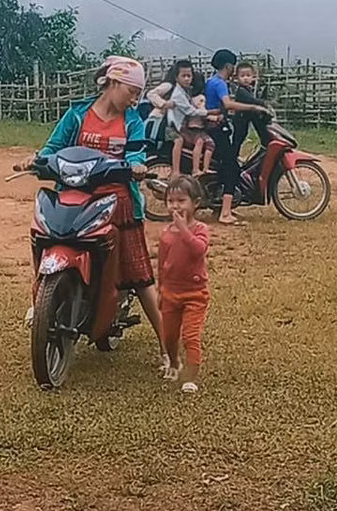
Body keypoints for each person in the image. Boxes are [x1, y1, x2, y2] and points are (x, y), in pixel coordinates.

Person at [21, 56, 168, 371]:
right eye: (132, 91)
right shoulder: (77, 114)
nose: (136, 99)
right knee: (45, 236)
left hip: (117, 200)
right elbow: (53, 148)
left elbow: (137, 153)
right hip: (73, 195)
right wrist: (35, 160)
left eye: (139, 93)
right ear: (113, 83)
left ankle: (169, 348)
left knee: (140, 276)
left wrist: (137, 164)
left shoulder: (133, 121)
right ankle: (42, 298)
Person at [203, 49, 269, 225]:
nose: (234, 70)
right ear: (228, 66)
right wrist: (253, 108)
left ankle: (218, 207)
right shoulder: (220, 83)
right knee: (232, 168)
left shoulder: (212, 81)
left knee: (226, 165)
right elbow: (227, 103)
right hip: (217, 130)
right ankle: (225, 213)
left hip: (213, 127)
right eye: (233, 66)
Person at [158, 175, 210, 393]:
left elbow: (198, 250)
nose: (175, 206)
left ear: (195, 203)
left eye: (181, 201)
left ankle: (191, 377)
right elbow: (162, 264)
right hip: (170, 293)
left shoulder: (200, 229)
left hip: (195, 294)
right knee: (169, 337)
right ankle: (173, 361)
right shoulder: (166, 234)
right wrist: (160, 289)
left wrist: (184, 228)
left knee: (190, 336)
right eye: (171, 201)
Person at [146, 60, 214, 176]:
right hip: (162, 122)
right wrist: (164, 104)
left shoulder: (185, 90)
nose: (187, 79)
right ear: (176, 76)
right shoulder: (169, 86)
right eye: (184, 75)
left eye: (189, 76)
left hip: (171, 123)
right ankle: (176, 171)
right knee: (179, 140)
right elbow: (150, 94)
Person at [230, 61, 273, 160]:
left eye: (248, 75)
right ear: (237, 78)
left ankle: (235, 157)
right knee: (238, 139)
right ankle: (232, 159)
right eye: (242, 76)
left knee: (242, 137)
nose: (245, 78)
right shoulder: (241, 91)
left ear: (253, 77)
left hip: (246, 119)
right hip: (240, 120)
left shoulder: (248, 89)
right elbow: (251, 101)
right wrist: (263, 103)